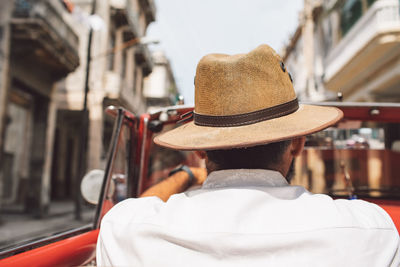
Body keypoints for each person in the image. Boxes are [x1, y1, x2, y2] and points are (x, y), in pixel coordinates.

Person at [96, 44, 400, 266]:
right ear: (298, 144)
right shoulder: (368, 230)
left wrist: (186, 175)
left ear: (199, 148)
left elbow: (136, 208)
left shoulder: (128, 231)